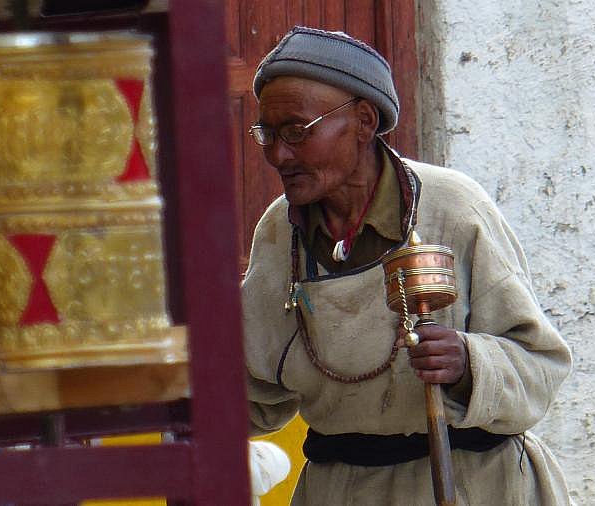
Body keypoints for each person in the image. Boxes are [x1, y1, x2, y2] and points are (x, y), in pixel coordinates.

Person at [242, 26, 573, 505]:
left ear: (364, 120)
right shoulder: (281, 233)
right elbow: (253, 391)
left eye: (296, 132)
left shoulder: (452, 208)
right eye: (267, 134)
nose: (278, 154)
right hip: (345, 491)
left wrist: (468, 362)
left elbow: (541, 366)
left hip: (474, 485)